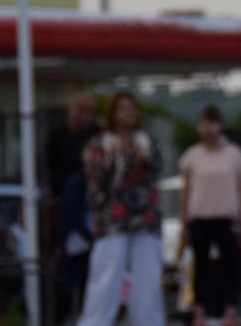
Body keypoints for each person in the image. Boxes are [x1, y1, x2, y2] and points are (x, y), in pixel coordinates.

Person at [77, 91, 164, 326]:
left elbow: (156, 169)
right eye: (122, 108)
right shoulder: (99, 144)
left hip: (144, 219)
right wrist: (114, 160)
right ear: (113, 114)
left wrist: (140, 157)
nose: (128, 113)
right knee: (105, 281)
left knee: (147, 282)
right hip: (112, 220)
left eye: (131, 108)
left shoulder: (146, 141)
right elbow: (96, 180)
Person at [179, 104, 241, 326]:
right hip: (200, 218)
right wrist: (183, 223)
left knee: (230, 266)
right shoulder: (192, 156)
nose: (208, 128)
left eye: (212, 122)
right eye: (204, 123)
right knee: (200, 267)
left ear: (221, 125)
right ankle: (199, 310)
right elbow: (186, 191)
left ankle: (230, 310)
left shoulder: (234, 154)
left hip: (226, 218)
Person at [45, 93, 99, 323]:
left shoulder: (97, 135)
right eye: (80, 110)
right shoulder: (57, 137)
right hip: (65, 209)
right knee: (65, 270)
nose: (84, 116)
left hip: (90, 207)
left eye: (89, 111)